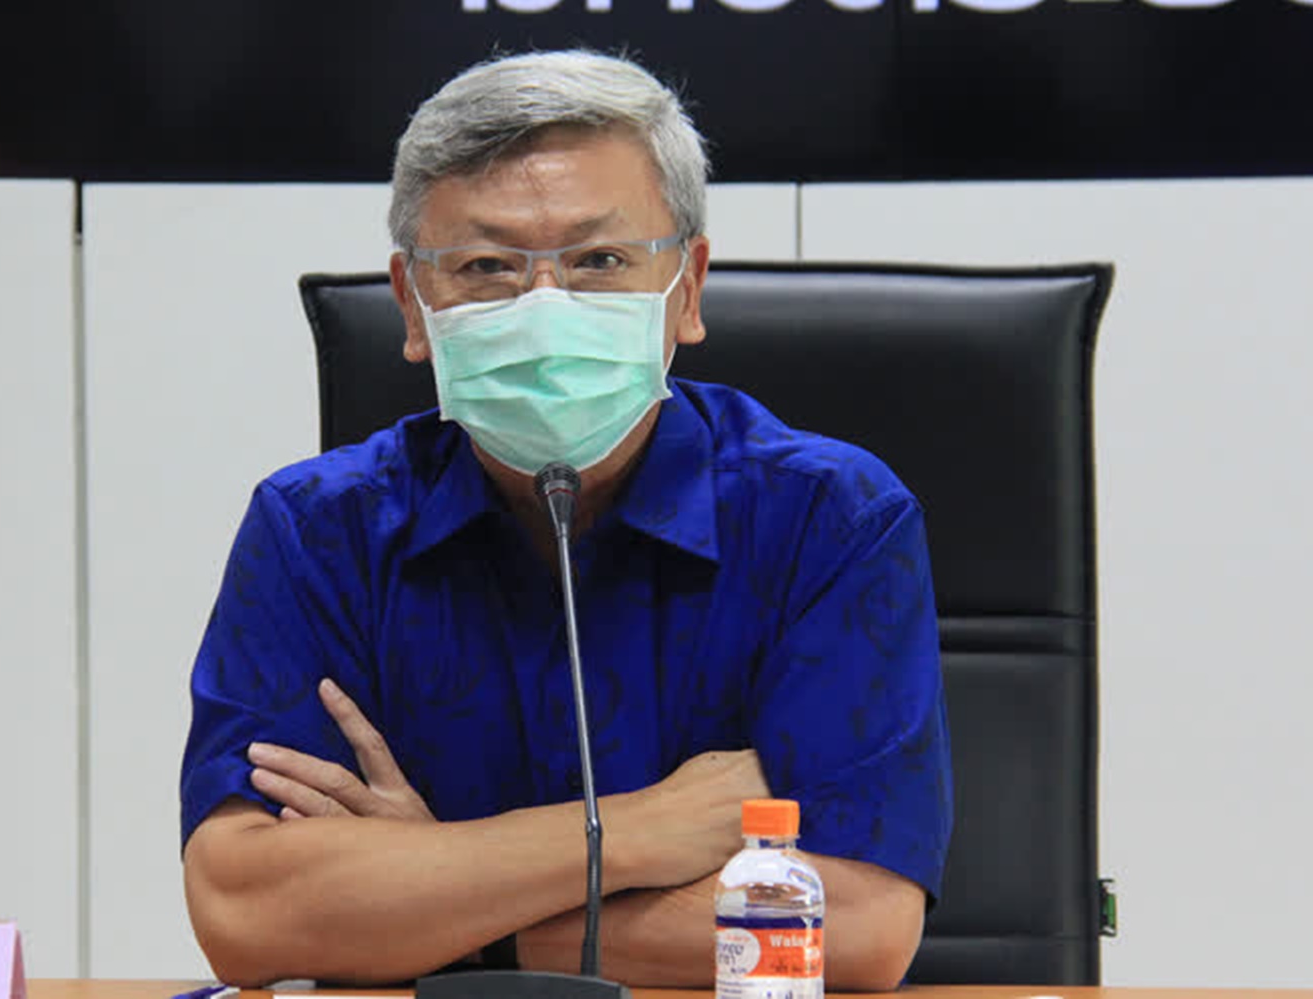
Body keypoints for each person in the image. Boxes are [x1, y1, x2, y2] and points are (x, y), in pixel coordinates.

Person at [179, 49, 951, 991]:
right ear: (413, 305)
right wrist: (637, 832)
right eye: (487, 267)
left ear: (688, 287)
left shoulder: (829, 518)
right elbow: (246, 909)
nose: (545, 308)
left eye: (600, 262)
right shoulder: (315, 532)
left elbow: (859, 927)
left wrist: (439, 905)